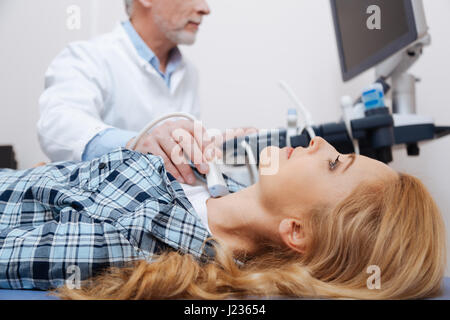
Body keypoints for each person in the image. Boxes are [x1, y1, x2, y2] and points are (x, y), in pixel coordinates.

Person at [0, 137, 445, 299]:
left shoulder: (135, 244)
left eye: (333, 163)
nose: (317, 141)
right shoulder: (211, 178)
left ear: (297, 231)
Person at [37, 0, 253, 185]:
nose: (205, 8)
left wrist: (215, 147)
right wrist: (135, 144)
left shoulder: (188, 72)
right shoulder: (87, 57)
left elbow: (178, 157)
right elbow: (58, 125)